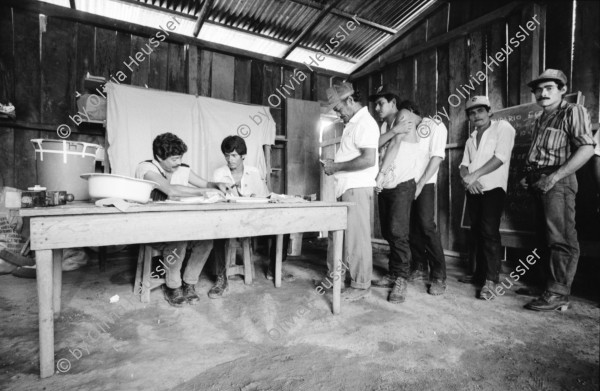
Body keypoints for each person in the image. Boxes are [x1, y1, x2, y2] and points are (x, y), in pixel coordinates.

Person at [520, 69, 596, 311]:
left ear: (562, 90)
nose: (542, 93)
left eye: (549, 88)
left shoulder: (573, 111)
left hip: (558, 181)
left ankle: (558, 293)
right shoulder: (541, 117)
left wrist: (554, 178)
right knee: (544, 237)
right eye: (538, 89)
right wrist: (528, 176)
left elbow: (586, 149)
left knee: (560, 238)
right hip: (539, 180)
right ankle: (546, 285)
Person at [135, 132, 226, 307]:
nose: (178, 162)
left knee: (206, 241)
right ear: (159, 156)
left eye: (180, 158)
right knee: (179, 241)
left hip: (180, 225)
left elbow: (205, 184)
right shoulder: (146, 168)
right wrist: (203, 192)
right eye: (174, 159)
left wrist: (216, 185)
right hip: (153, 229)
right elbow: (170, 190)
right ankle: (173, 286)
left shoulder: (181, 168)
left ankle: (189, 283)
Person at [209, 136, 292, 298]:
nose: (229, 160)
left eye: (234, 156)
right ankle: (220, 277)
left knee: (283, 226)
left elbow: (264, 196)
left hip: (254, 219)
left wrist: (259, 197)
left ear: (243, 156)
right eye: (227, 155)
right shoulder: (219, 173)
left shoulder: (253, 172)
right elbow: (216, 200)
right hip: (230, 220)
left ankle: (274, 269)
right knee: (216, 232)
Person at [321, 82, 379, 301]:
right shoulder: (353, 124)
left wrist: (335, 167)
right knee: (337, 236)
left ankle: (361, 284)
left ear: (351, 101)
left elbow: (368, 159)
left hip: (357, 188)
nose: (338, 114)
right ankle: (335, 278)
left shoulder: (365, 122)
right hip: (346, 187)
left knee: (356, 239)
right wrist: (334, 164)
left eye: (339, 109)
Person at [459, 96, 516, 300]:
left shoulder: (503, 128)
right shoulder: (470, 139)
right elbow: (463, 166)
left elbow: (501, 157)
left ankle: (491, 280)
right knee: (476, 232)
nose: (476, 115)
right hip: (473, 189)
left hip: (493, 189)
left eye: (480, 111)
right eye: (472, 113)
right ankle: (480, 275)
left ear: (489, 111)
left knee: (489, 231)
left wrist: (476, 175)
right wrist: (468, 179)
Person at [368, 88, 421, 303]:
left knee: (398, 232)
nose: (377, 108)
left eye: (381, 103)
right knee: (388, 232)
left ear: (393, 102)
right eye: (376, 105)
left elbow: (397, 144)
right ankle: (393, 272)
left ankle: (401, 278)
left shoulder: (404, 116)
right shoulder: (384, 125)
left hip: (401, 183)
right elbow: (374, 146)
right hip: (387, 185)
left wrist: (380, 175)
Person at [397, 101, 448, 295]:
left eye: (404, 116)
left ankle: (439, 275)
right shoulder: (405, 129)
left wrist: (420, 185)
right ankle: (418, 266)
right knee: (411, 226)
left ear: (412, 112)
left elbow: (436, 157)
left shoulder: (435, 125)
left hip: (425, 183)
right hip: (406, 182)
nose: (401, 120)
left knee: (426, 225)